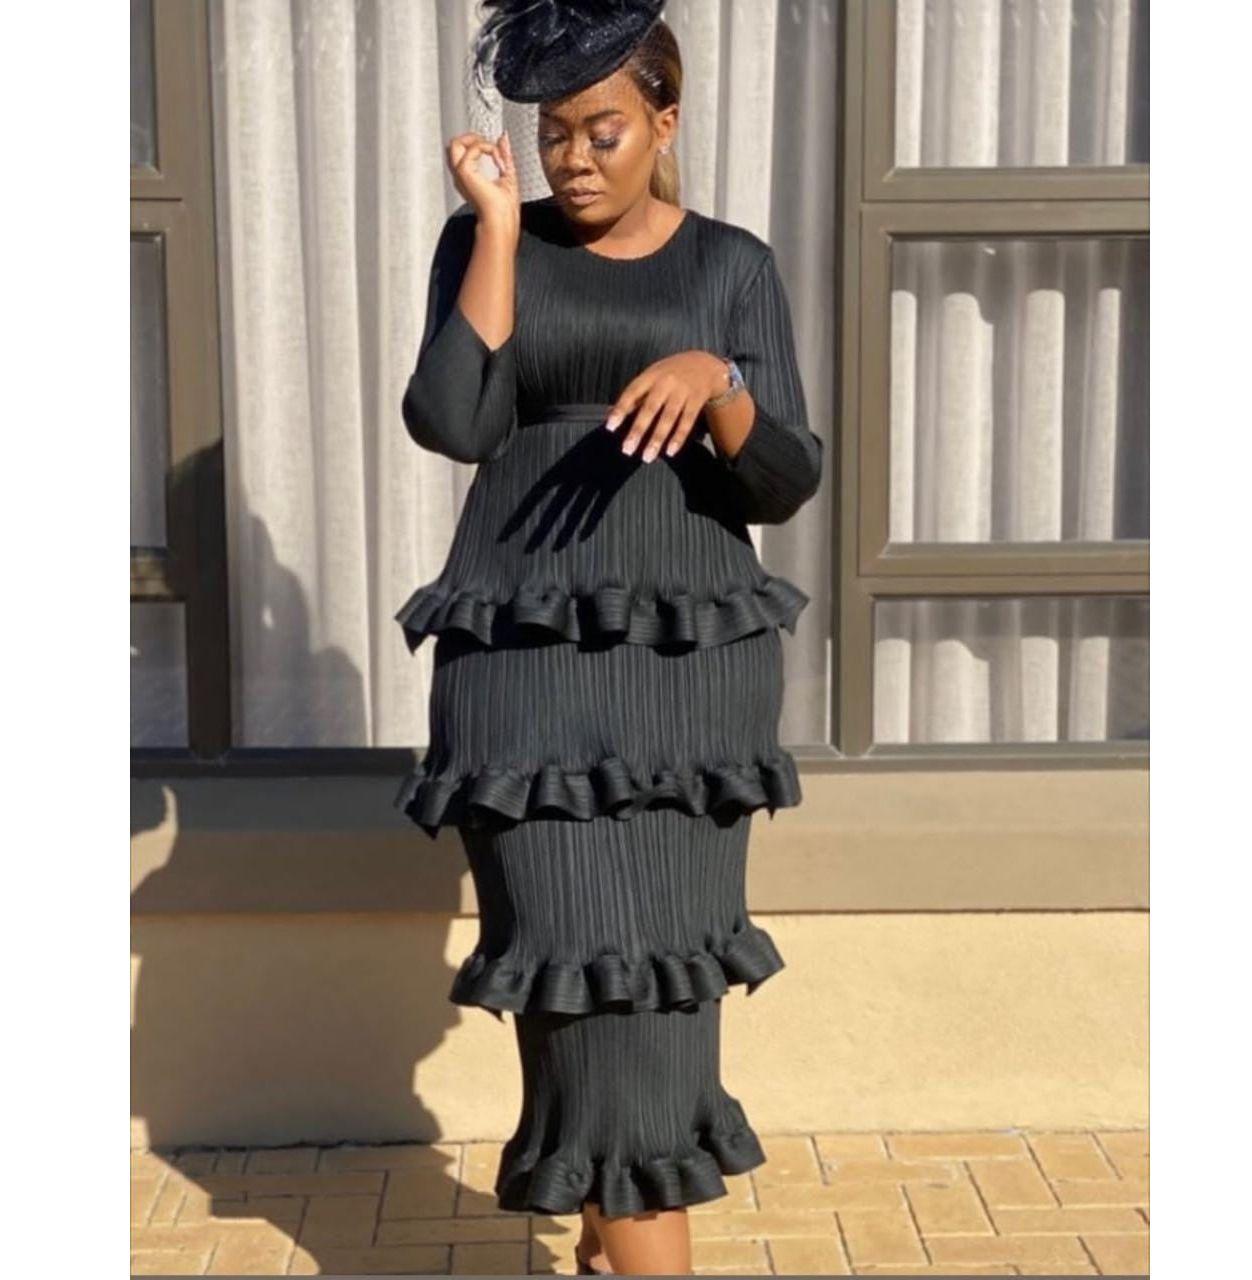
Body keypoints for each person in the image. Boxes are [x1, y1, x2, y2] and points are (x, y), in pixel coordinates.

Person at [392, 2, 823, 1273]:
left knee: (653, 989)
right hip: (522, 678)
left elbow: (783, 478)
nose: (571, 158)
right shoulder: (488, 241)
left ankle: (605, 1228)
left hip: (687, 690)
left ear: (664, 122)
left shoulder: (730, 267)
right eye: (552, 135)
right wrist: (497, 230)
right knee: (581, 974)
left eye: (602, 131)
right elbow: (453, 420)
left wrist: (717, 382)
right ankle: (631, 1231)